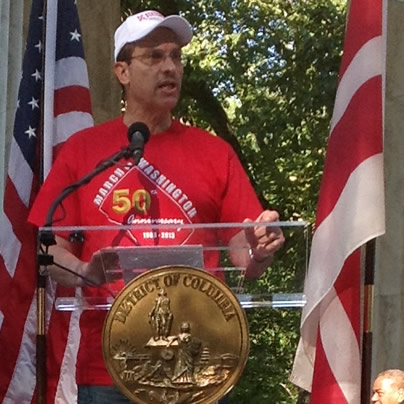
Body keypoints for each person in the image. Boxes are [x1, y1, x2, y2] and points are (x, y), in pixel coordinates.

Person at [28, 9, 284, 403]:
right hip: (110, 365)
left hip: (200, 364)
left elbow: (244, 258)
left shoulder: (214, 153)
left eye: (176, 56)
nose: (170, 67)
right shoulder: (84, 151)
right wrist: (84, 271)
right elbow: (47, 246)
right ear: (123, 72)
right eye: (154, 57)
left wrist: (258, 248)